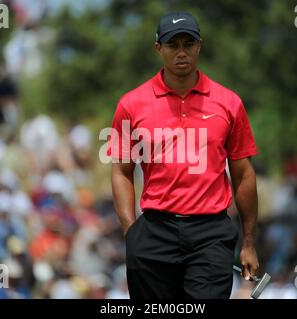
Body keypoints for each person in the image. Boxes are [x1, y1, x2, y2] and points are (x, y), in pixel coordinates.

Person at [108, 12, 259, 299]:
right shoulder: (130, 104)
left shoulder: (229, 103)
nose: (181, 52)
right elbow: (121, 171)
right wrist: (132, 233)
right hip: (153, 230)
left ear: (199, 46)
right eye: (172, 45)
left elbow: (243, 175)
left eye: (188, 44)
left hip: (211, 233)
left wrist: (249, 242)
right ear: (158, 48)